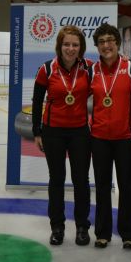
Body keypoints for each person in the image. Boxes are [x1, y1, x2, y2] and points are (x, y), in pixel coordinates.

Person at [32, 25, 92, 246]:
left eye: (75, 45)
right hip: (53, 132)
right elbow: (37, 101)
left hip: (79, 133)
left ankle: (82, 227)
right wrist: (37, 132)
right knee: (56, 180)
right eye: (66, 44)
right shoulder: (46, 69)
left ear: (81, 47)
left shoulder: (89, 68)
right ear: (59, 46)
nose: (70, 48)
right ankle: (57, 227)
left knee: (81, 181)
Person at [89, 23, 131, 249]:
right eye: (101, 42)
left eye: (110, 40)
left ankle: (129, 233)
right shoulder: (92, 71)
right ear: (97, 46)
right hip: (99, 137)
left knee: (127, 186)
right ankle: (102, 233)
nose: (106, 45)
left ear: (117, 43)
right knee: (101, 187)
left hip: (125, 137)